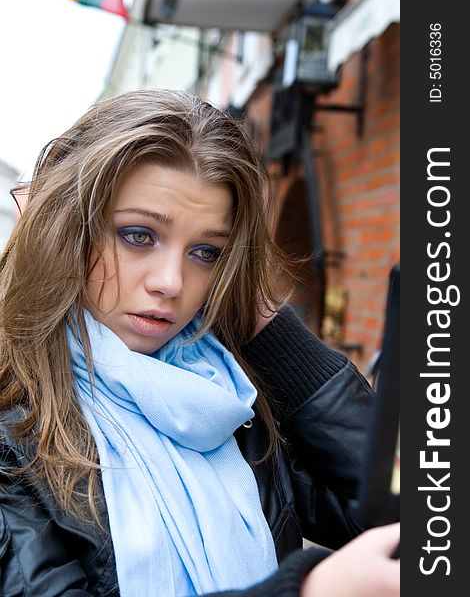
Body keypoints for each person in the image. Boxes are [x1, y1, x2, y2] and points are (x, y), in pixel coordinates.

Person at [0, 89, 399, 596]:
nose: (171, 281)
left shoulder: (232, 406)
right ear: (67, 231)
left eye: (207, 251)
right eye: (138, 235)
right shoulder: (15, 435)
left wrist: (263, 324)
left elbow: (420, 514)